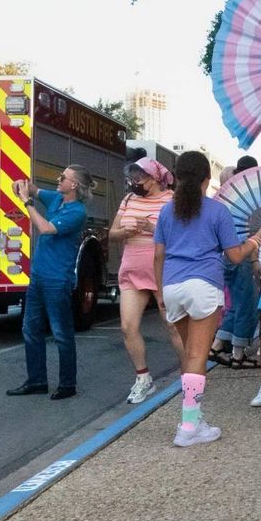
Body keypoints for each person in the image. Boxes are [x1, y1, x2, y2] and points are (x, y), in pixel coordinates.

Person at [153, 151, 261, 448]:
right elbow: (235, 256)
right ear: (207, 179)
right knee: (197, 358)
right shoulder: (217, 212)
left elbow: (158, 255)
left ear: (177, 178)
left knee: (189, 355)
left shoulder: (167, 211)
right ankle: (189, 426)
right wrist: (255, 239)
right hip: (203, 285)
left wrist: (160, 292)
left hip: (173, 286)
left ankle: (193, 417)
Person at [7, 165, 93, 401]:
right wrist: (22, 186)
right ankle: (37, 381)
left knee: (61, 334)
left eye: (63, 177)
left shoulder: (77, 212)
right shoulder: (57, 198)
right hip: (39, 277)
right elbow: (35, 190)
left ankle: (68, 384)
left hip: (57, 280)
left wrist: (27, 203)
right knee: (30, 329)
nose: (59, 179)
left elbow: (45, 228)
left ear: (74, 185)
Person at [109, 157, 182, 404]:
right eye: (133, 177)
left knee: (173, 326)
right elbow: (112, 233)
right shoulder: (128, 199)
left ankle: (190, 376)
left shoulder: (171, 199)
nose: (135, 182)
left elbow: (181, 234)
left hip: (162, 270)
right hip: (131, 269)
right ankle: (143, 378)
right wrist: (125, 232)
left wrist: (152, 229)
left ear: (154, 178)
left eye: (139, 177)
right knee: (128, 326)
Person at [210, 155, 261, 368]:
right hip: (244, 255)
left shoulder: (228, 196)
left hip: (226, 257)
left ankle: (217, 344)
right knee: (246, 305)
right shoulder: (255, 195)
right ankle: (238, 354)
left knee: (235, 305)